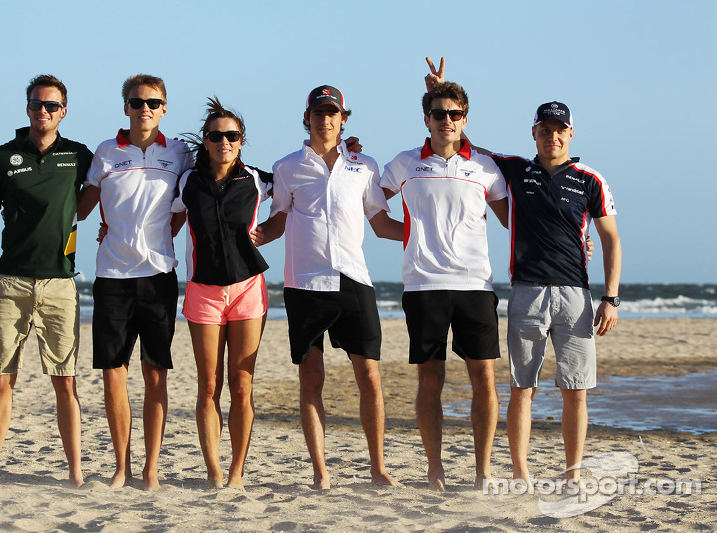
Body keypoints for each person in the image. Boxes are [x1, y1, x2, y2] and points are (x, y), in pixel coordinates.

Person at [425, 57, 622, 488]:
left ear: (570, 134)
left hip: (575, 295)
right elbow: (463, 143)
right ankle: (520, 471)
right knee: (522, 388)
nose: (552, 136)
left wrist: (610, 298)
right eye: (544, 129)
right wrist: (443, 91)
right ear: (534, 132)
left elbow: (610, 239)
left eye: (560, 130)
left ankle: (572, 473)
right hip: (527, 292)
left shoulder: (590, 180)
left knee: (576, 391)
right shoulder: (514, 169)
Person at [253, 85, 402, 490]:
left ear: (343, 118)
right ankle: (321, 473)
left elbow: (381, 223)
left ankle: (378, 468)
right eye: (318, 113)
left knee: (369, 377)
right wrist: (246, 237)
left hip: (354, 279)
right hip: (304, 283)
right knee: (311, 378)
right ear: (308, 118)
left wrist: (424, 236)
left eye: (332, 113)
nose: (325, 120)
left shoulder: (364, 166)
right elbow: (276, 221)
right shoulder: (287, 167)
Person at [379, 80, 509, 491]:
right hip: (423, 287)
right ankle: (434, 468)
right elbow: (371, 210)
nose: (447, 120)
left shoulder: (485, 168)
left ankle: (483, 470)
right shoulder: (404, 163)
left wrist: (580, 241)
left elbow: (514, 221)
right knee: (429, 379)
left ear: (465, 120)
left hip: (476, 285)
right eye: (439, 114)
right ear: (426, 119)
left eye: (455, 114)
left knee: (483, 380)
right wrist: (414, 236)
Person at [0, 74, 92, 488]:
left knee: (66, 381)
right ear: (27, 108)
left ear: (64, 111)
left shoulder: (78, 156)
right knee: (3, 379)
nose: (43, 111)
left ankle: (76, 473)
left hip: (61, 284)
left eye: (52, 106)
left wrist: (91, 222)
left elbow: (100, 193)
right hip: (10, 283)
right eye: (36, 104)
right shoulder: (2, 157)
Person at [77, 74, 193, 490]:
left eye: (153, 103)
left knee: (156, 373)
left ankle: (151, 469)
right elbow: (79, 209)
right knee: (113, 374)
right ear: (125, 106)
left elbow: (195, 196)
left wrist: (164, 234)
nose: (144, 109)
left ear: (165, 108)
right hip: (111, 276)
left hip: (159, 276)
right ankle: (122, 467)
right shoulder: (106, 152)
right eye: (136, 102)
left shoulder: (180, 153)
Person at [170, 98, 272, 490]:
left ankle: (236, 473)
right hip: (203, 291)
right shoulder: (186, 181)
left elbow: (302, 192)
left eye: (231, 135)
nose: (223, 142)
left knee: (242, 384)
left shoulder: (260, 180)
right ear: (206, 141)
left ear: (241, 141)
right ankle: (214, 469)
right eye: (216, 136)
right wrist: (108, 229)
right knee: (208, 385)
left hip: (248, 289)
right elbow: (160, 213)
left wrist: (270, 232)